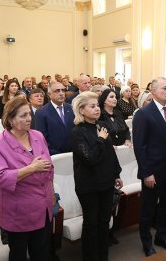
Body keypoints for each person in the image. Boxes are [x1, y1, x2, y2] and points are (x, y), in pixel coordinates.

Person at [0, 97, 54, 261]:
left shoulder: (37, 135)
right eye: (23, 115)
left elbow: (49, 167)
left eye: (29, 114)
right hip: (19, 211)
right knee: (18, 254)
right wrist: (30, 169)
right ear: (10, 119)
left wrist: (51, 192)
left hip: (43, 207)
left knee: (42, 252)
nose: (29, 118)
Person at [132, 77, 166, 257]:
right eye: (164, 88)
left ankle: (161, 236)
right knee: (148, 209)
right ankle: (146, 242)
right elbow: (140, 147)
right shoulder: (143, 113)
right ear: (153, 91)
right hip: (152, 172)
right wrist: (146, 173)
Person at [70, 91, 123, 261]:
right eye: (92, 106)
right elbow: (90, 159)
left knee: (104, 221)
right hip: (89, 185)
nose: (97, 109)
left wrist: (116, 174)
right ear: (81, 110)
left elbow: (110, 154)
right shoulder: (77, 132)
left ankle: (103, 256)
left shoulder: (102, 125)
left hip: (106, 182)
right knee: (91, 224)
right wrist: (100, 139)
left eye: (97, 106)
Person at [35, 82, 75, 155]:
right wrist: (57, 155)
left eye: (63, 90)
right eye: (57, 91)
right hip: (54, 156)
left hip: (73, 153)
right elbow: (42, 139)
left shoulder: (71, 108)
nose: (61, 93)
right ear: (49, 94)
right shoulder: (41, 113)